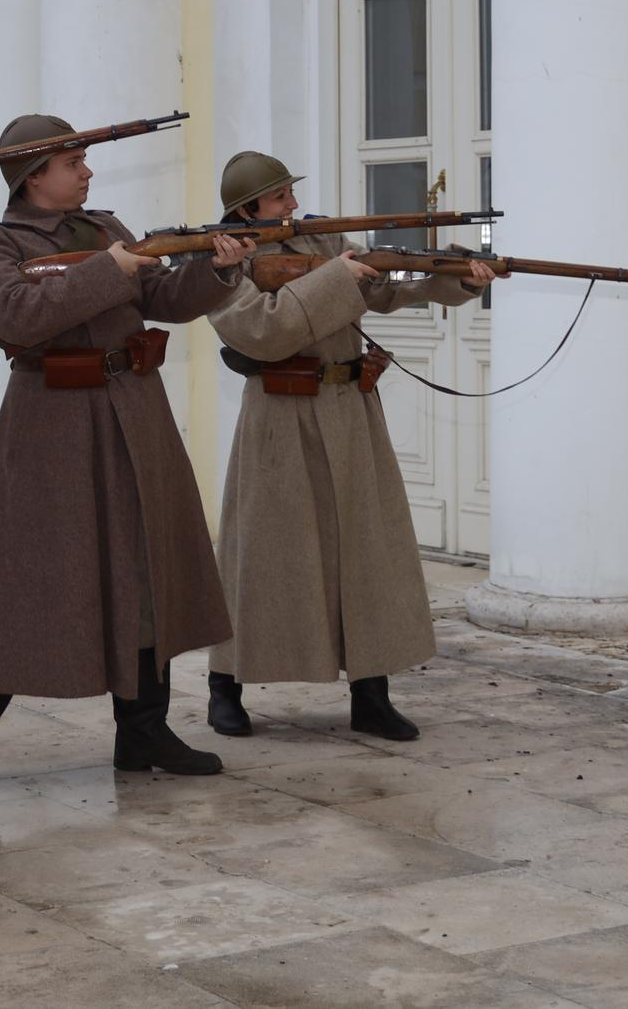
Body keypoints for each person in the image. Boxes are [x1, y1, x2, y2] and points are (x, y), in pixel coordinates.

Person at [0, 116, 250, 797]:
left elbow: (161, 297)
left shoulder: (108, 228)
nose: (87, 172)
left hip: (132, 412)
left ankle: (144, 730)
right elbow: (16, 315)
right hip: (48, 425)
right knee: (26, 586)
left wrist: (217, 270)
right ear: (33, 176)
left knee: (144, 571)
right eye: (72, 162)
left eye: (84, 160)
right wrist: (113, 268)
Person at [203, 151, 497, 742]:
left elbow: (389, 287)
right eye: (280, 195)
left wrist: (455, 277)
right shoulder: (224, 263)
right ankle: (224, 685)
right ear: (248, 210)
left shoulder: (323, 240)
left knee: (367, 552)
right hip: (278, 417)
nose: (293, 202)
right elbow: (265, 330)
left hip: (348, 411)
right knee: (261, 556)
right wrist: (341, 278)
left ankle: (372, 693)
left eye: (290, 191)